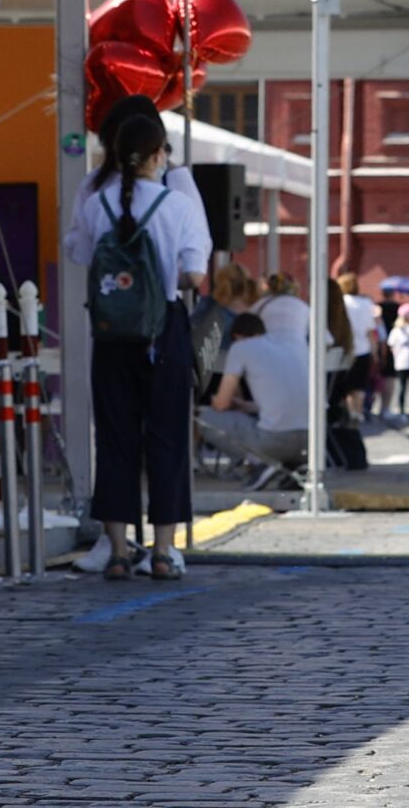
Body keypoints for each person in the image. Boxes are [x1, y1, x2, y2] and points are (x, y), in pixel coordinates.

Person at [72, 104, 211, 579]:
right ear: (158, 155)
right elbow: (194, 274)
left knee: (115, 436)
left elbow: (81, 254)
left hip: (111, 330)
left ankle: (116, 550)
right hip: (162, 328)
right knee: (166, 437)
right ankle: (163, 550)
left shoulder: (96, 203)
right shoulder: (178, 205)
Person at [197, 311, 308, 471]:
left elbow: (222, 404)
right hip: (311, 442)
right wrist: (246, 406)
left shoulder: (240, 347)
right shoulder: (288, 347)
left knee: (201, 418)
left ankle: (256, 462)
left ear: (237, 336)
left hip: (274, 443)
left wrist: (213, 401)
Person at [337, 270, 383, 423]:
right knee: (359, 385)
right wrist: (375, 352)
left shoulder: (341, 302)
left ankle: (351, 413)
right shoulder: (365, 304)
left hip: (345, 349)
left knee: (346, 386)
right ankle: (358, 412)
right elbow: (370, 332)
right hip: (363, 349)